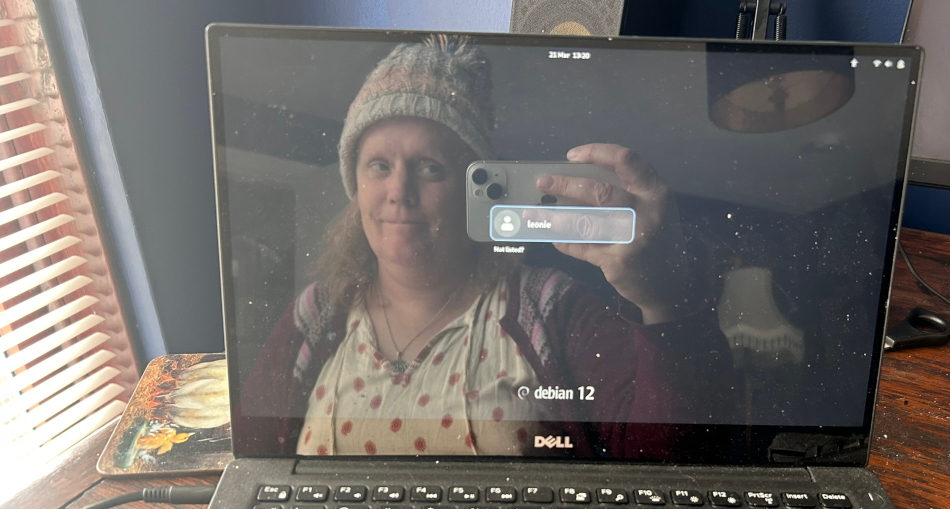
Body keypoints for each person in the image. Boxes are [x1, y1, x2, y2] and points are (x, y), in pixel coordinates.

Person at [240, 35, 731, 458]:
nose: (398, 191)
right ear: (356, 185)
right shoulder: (317, 315)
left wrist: (665, 300)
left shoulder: (551, 308)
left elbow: (670, 459)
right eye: (378, 165)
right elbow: (256, 459)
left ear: (475, 192)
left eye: (430, 167)